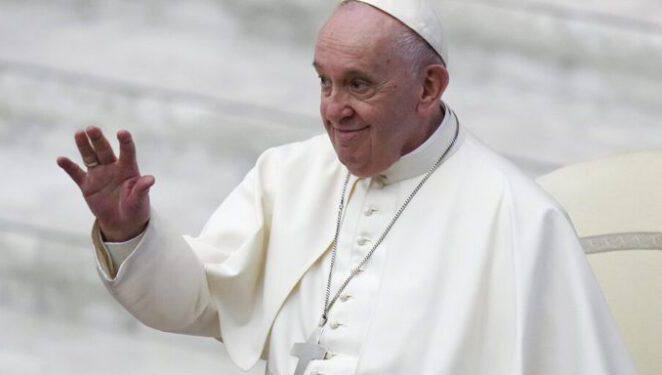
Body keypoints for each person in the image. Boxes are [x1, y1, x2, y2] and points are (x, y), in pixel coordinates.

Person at [57, 1, 637, 374]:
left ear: (429, 86)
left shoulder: (519, 217)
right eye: (324, 83)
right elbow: (200, 298)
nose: (334, 110)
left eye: (358, 84)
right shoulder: (287, 175)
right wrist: (128, 232)